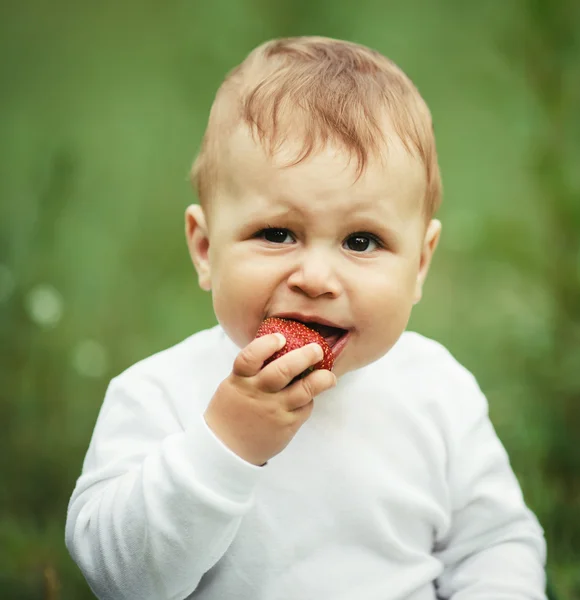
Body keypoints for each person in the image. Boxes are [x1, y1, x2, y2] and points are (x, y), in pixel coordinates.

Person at [65, 36, 547, 599]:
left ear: (419, 264)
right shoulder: (157, 395)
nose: (315, 278)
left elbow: (494, 545)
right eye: (276, 234)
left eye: (361, 241)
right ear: (204, 248)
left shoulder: (438, 392)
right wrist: (225, 445)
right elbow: (119, 579)